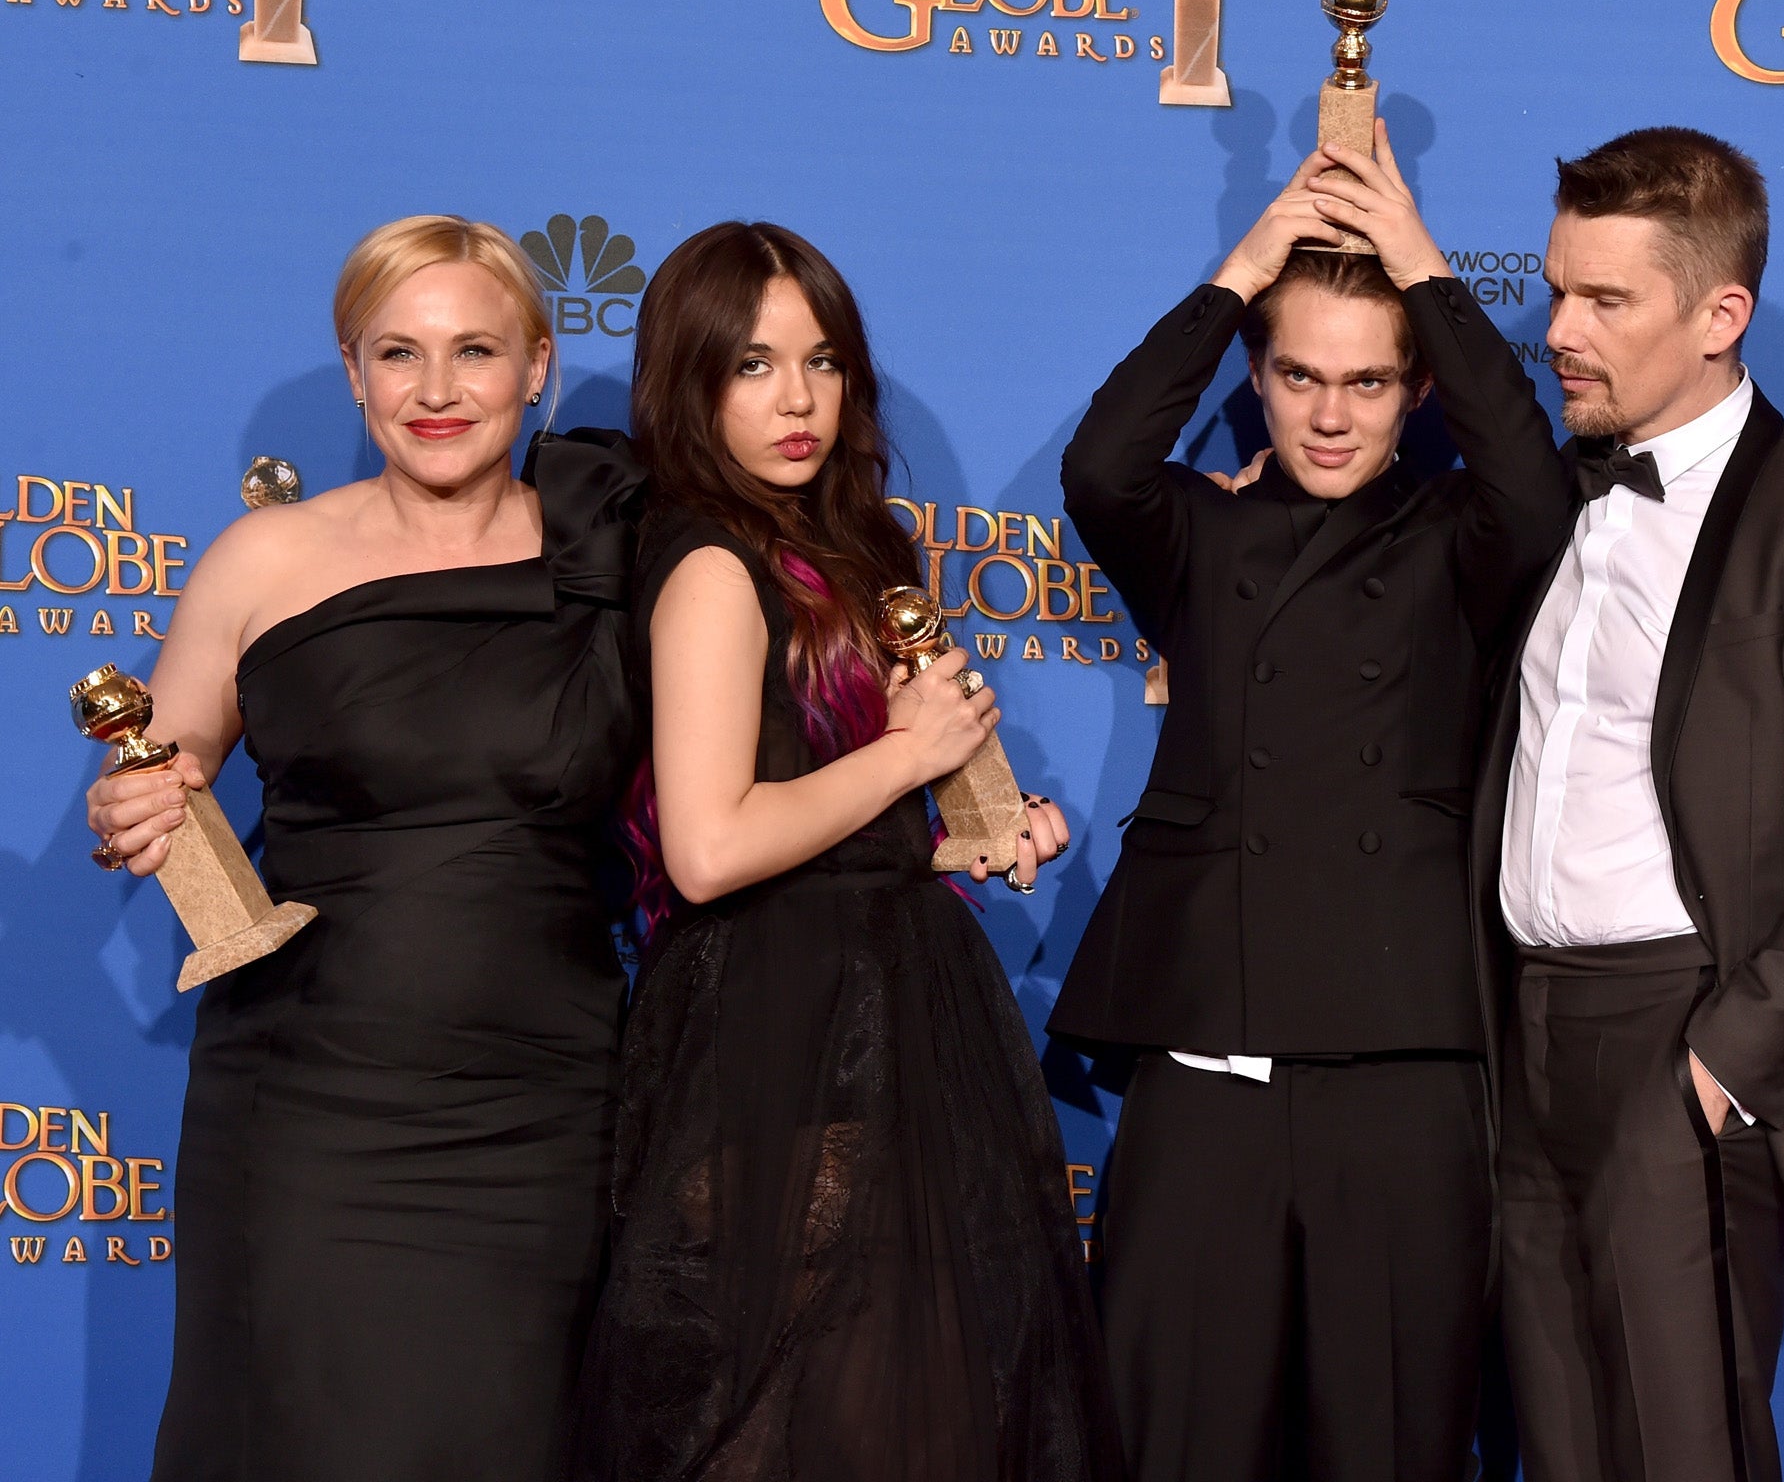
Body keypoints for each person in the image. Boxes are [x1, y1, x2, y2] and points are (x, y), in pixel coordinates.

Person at [83, 216, 646, 1481]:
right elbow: (154, 771)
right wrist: (123, 813)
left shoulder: (616, 557)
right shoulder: (264, 560)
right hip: (308, 1111)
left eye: (475, 351)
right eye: (398, 353)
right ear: (353, 373)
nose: (436, 391)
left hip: (545, 1108)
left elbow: (742, 755)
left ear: (539, 365)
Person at [1051, 126, 1571, 1482]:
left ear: (1417, 395)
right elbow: (1102, 464)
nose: (1332, 415)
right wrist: (1242, 267)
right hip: (1206, 1061)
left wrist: (1419, 263)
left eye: (1370, 383)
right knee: (1167, 1442)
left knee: (1394, 1444)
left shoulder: (1462, 542)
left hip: (1402, 1069)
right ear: (1257, 379)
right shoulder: (1196, 532)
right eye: (1297, 376)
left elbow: (1531, 483)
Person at [569, 221, 1122, 1482]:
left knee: (903, 1411)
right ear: (688, 379)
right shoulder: (709, 562)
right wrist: (908, 759)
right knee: (771, 1411)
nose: (797, 399)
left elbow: (814, 824)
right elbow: (708, 848)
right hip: (771, 1029)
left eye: (820, 362)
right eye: (753, 365)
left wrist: (954, 841)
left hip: (891, 1010)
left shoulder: (854, 549)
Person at [1481, 128, 1784, 1482]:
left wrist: (1716, 1066)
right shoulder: (1542, 494)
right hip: (1523, 1038)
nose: (1558, 329)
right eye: (1560, 288)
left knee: (1685, 1451)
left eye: (1603, 300)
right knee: (1562, 1449)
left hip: (1679, 1037)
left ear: (1718, 315)